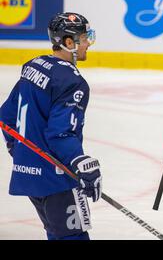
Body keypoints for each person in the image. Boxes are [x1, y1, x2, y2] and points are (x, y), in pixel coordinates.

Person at [0, 12, 101, 240]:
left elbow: (6, 115)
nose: (88, 43)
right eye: (84, 38)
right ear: (68, 43)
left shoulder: (34, 66)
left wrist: (19, 151)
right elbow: (61, 133)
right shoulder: (72, 81)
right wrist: (80, 162)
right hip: (56, 177)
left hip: (28, 173)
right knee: (72, 236)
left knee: (56, 233)